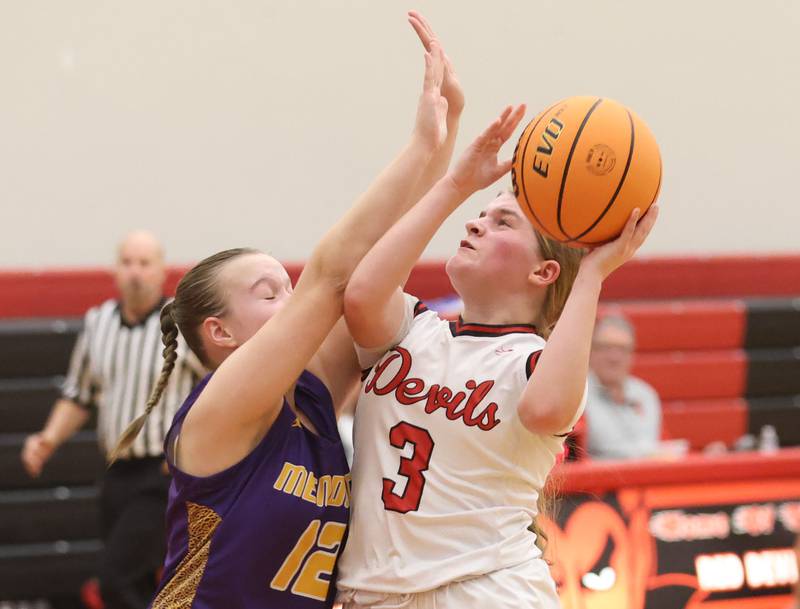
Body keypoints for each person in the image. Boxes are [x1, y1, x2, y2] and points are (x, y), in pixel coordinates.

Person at [110, 13, 464, 609]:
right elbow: (331, 277)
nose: (293, 298)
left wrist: (447, 128)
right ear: (219, 332)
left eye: (287, 284)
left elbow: (373, 274)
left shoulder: (312, 395)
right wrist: (421, 148)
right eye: (270, 293)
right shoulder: (220, 410)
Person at [334, 101, 660, 605]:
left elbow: (547, 409)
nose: (474, 225)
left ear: (543, 273)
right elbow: (359, 293)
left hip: (484, 592)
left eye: (502, 222)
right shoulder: (415, 328)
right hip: (375, 594)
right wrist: (455, 185)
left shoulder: (534, 362)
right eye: (479, 215)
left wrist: (593, 273)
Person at [20, 230, 205, 609]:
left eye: (144, 263)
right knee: (135, 583)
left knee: (114, 580)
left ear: (161, 272)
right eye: (127, 262)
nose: (135, 271)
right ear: (115, 271)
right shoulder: (97, 322)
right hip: (116, 472)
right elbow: (79, 394)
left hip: (164, 473)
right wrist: (48, 439)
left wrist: (195, 450)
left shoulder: (182, 323)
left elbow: (218, 388)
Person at [585, 314, 662, 460]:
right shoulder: (578, 395)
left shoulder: (645, 394)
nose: (614, 358)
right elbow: (601, 446)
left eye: (622, 349)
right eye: (606, 348)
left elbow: (651, 444)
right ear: (590, 351)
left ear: (632, 355)